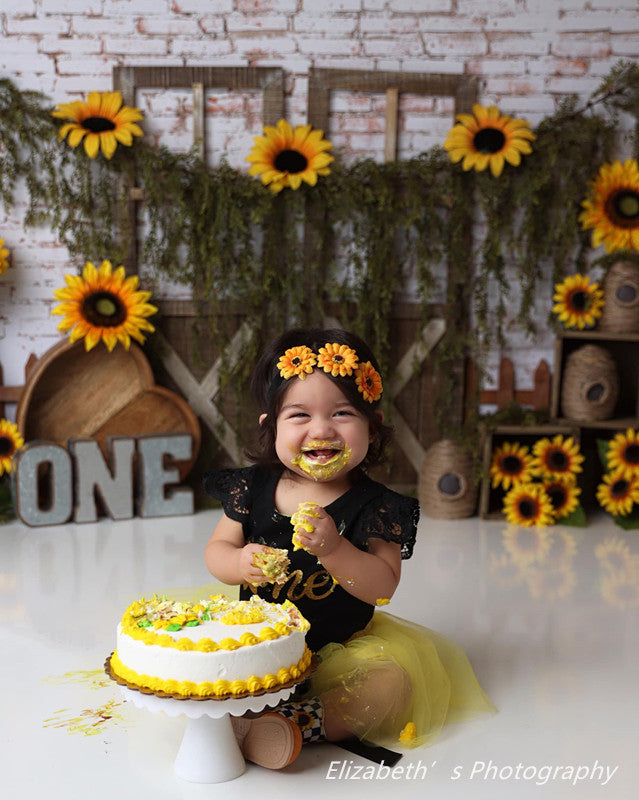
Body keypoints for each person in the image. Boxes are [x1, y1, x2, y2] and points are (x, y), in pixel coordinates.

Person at [204, 327, 494, 769]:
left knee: (393, 683)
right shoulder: (253, 486)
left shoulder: (377, 506)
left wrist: (334, 548)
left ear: (372, 428)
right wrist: (238, 562)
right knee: (205, 658)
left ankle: (295, 725)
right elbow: (217, 548)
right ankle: (243, 715)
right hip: (261, 646)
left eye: (342, 413)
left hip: (341, 651)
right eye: (299, 415)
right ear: (271, 428)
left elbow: (383, 587)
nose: (321, 429)